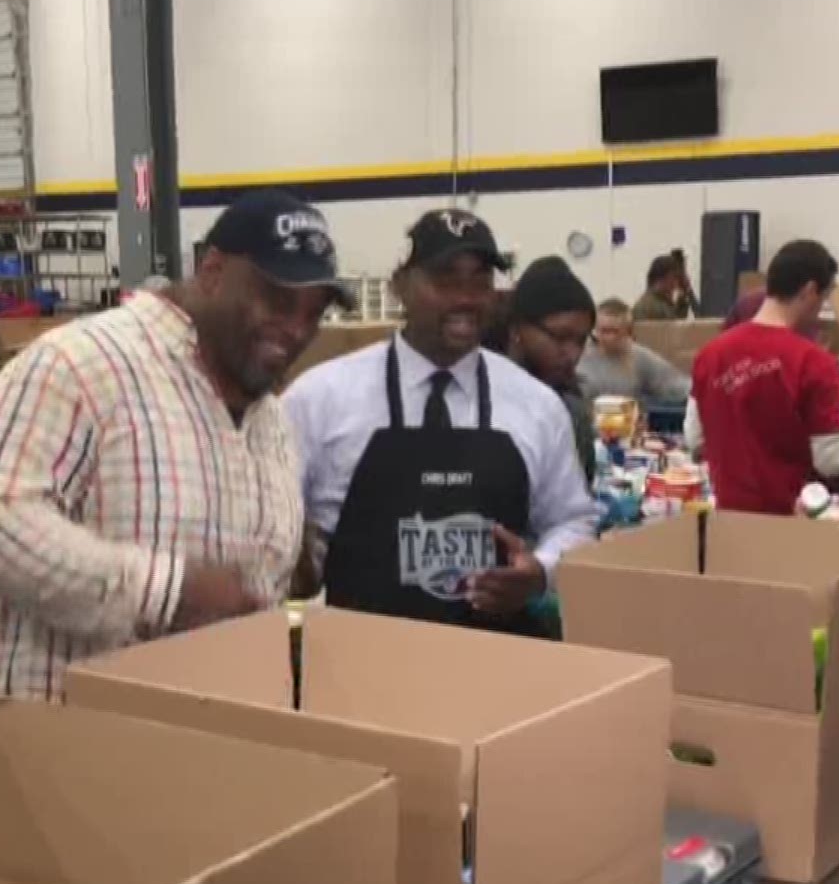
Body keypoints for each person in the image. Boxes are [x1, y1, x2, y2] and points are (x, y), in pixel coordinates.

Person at [0, 189, 348, 700]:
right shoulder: (82, 364)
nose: (295, 329)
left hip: (198, 753)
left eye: (314, 313)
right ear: (213, 271)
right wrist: (163, 591)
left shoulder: (271, 421)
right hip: (53, 754)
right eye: (277, 300)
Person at [286, 208, 599, 636]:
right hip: (355, 667)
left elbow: (573, 520)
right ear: (400, 286)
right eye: (446, 279)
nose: (466, 298)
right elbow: (276, 529)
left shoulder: (536, 405)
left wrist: (540, 573)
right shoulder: (320, 399)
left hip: (497, 667)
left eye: (481, 282)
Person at [684, 239, 839, 520]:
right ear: (810, 291)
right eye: (824, 298)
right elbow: (832, 461)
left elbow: (694, 438)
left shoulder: (709, 355)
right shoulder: (813, 362)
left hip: (727, 522)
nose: (822, 310)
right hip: (791, 524)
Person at [503, 255, 600, 483]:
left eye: (581, 341)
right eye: (560, 337)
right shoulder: (478, 399)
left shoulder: (570, 411)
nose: (573, 354)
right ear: (517, 329)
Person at [579, 297, 691, 410]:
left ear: (627, 331)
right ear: (594, 329)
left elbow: (675, 385)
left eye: (614, 331)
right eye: (603, 331)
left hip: (625, 423)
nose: (609, 337)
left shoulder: (638, 357)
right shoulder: (578, 356)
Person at [631, 253, 695, 321]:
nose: (676, 282)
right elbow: (671, 329)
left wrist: (683, 296)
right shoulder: (650, 306)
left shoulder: (661, 302)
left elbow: (676, 324)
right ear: (663, 277)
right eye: (674, 277)